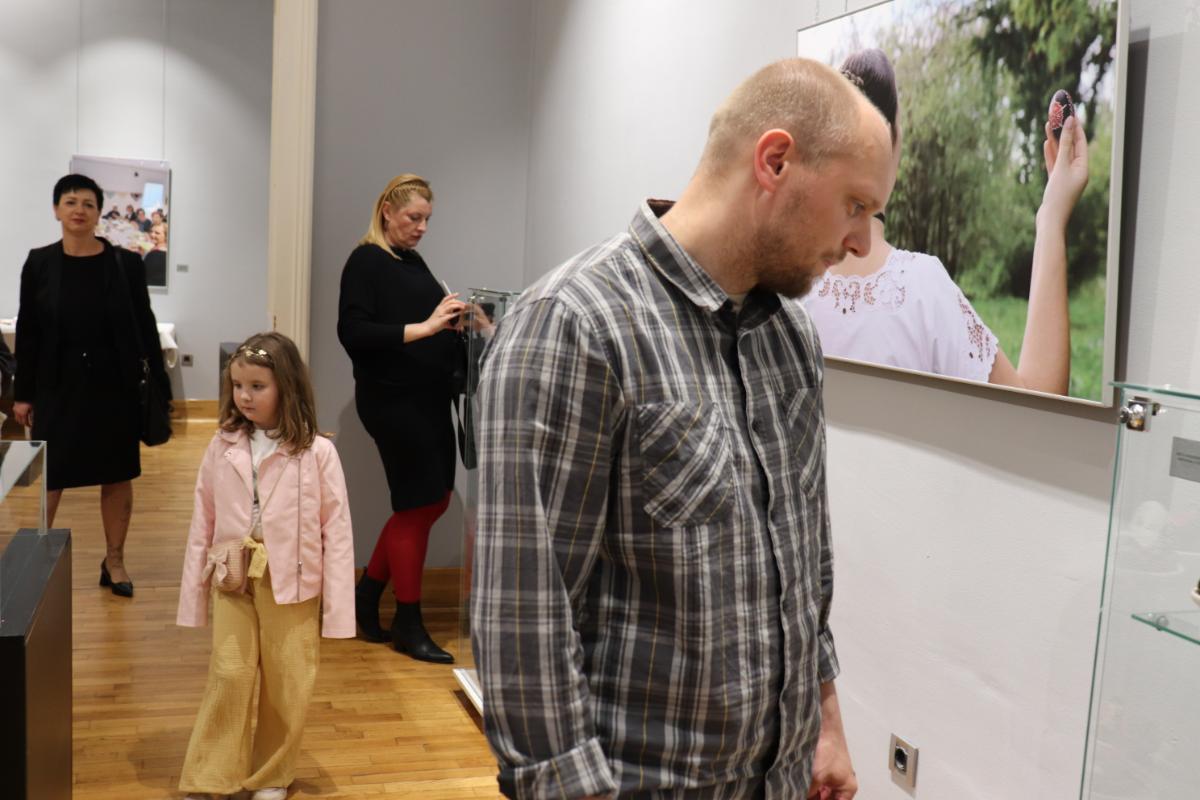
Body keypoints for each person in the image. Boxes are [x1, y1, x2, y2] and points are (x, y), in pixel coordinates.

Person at [471, 58, 894, 799]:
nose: (861, 240)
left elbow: (804, 563)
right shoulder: (573, 326)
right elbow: (524, 623)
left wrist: (825, 720)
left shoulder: (791, 336)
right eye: (855, 204)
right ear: (774, 161)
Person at [801, 48, 1089, 394]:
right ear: (891, 145)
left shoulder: (783, 288)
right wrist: (1052, 217)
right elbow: (1038, 408)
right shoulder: (922, 290)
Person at [176, 331, 355, 800]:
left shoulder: (317, 453)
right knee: (229, 675)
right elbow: (203, 521)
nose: (244, 396)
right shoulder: (222, 445)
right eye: (238, 386)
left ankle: (272, 774)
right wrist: (192, 598)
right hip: (232, 577)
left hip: (293, 584)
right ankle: (211, 775)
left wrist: (339, 614)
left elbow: (337, 532)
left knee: (287, 681)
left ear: (286, 387)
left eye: (257, 386)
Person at [13, 173, 170, 597]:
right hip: (57, 386)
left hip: (113, 388)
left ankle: (114, 560)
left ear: (99, 212)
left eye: (88, 203)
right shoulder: (40, 263)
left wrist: (160, 386)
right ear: (56, 210)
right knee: (53, 476)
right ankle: (37, 557)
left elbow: (145, 325)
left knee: (117, 475)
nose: (79, 210)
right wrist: (23, 394)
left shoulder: (125, 264)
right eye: (70, 202)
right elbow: (28, 331)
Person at [337, 173, 466, 663]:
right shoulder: (367, 260)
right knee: (417, 504)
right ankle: (407, 622)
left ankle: (367, 595)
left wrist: (456, 322)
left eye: (427, 219)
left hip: (427, 398)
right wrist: (428, 326)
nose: (422, 227)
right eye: (414, 217)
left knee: (434, 500)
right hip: (394, 401)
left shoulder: (411, 261)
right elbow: (353, 332)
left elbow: (424, 322)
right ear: (387, 212)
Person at [143, 221, 168, 286]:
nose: (152, 235)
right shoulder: (166, 251)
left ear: (166, 237)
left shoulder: (155, 255)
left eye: (157, 233)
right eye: (151, 231)